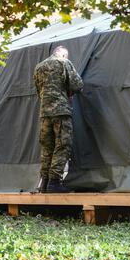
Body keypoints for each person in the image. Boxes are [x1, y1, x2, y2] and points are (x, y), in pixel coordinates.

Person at [33, 46, 83, 192]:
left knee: (47, 147)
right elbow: (77, 84)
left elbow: (38, 91)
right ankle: (54, 182)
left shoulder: (38, 67)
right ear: (63, 55)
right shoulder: (63, 62)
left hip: (44, 113)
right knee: (62, 145)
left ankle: (44, 183)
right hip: (60, 111)